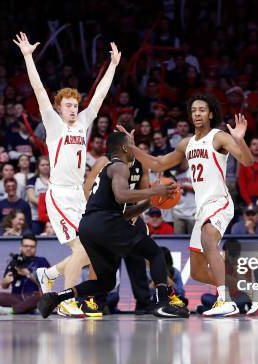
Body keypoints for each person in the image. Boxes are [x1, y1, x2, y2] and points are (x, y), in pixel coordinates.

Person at [14, 33, 123, 317]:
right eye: (68, 105)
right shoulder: (53, 124)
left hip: (78, 195)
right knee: (80, 248)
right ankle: (66, 301)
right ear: (59, 108)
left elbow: (99, 95)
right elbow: (38, 90)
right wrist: (28, 56)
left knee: (89, 251)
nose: (74, 109)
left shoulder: (83, 122)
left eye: (76, 105)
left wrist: (113, 65)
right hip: (60, 194)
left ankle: (50, 275)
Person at [37, 131, 189, 319]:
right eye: (132, 145)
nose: (135, 149)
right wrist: (153, 191)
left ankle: (55, 298)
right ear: (125, 148)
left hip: (88, 227)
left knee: (105, 283)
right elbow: (121, 195)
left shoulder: (108, 169)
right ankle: (162, 304)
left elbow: (123, 213)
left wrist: (150, 203)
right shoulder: (120, 166)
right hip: (105, 223)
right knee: (155, 253)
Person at [129, 94, 255, 316]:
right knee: (197, 270)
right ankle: (244, 289)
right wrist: (133, 149)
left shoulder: (219, 137)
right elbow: (158, 163)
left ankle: (225, 300)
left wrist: (240, 139)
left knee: (208, 239)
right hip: (201, 209)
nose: (197, 113)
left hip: (219, 202)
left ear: (211, 113)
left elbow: (247, 161)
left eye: (202, 110)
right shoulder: (186, 143)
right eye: (194, 110)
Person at [84, 146, 159, 314]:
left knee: (137, 260)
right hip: (108, 217)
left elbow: (144, 192)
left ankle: (143, 302)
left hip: (132, 214)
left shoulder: (141, 164)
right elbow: (87, 188)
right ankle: (99, 302)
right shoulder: (104, 161)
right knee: (106, 262)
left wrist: (136, 213)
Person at [0, 235, 50, 315]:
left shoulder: (42, 261)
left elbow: (47, 284)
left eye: (32, 246)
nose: (29, 248)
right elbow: (4, 286)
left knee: (42, 296)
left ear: (36, 248)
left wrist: (28, 274)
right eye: (26, 246)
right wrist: (6, 281)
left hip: (33, 295)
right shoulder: (15, 261)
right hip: (16, 296)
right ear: (21, 247)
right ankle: (29, 308)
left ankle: (12, 311)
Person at [25, 156, 50, 235]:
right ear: (38, 167)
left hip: (53, 218)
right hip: (36, 217)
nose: (45, 167)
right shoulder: (32, 180)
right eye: (42, 165)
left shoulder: (56, 180)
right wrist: (47, 205)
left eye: (47, 164)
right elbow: (31, 198)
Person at [172, 159, 196, 234]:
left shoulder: (194, 171)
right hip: (177, 212)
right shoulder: (174, 173)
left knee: (193, 241)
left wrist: (185, 186)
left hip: (193, 212)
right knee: (179, 242)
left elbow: (202, 190)